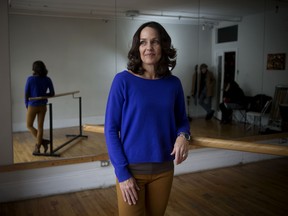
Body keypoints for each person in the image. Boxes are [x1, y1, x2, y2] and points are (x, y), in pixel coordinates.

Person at [104, 21, 191, 216]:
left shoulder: (173, 84)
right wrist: (122, 173)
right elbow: (110, 129)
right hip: (131, 171)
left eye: (154, 42)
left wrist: (183, 136)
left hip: (164, 170)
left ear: (163, 46)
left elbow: (182, 120)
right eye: (143, 42)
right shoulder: (123, 81)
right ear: (137, 48)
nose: (149, 47)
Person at [25, 60, 55, 154]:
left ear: (34, 69)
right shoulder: (47, 79)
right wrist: (43, 95)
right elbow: (52, 93)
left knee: (29, 125)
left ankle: (41, 143)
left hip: (33, 105)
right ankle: (40, 144)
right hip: (43, 106)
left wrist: (27, 105)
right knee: (40, 126)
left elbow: (26, 94)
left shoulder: (30, 79)